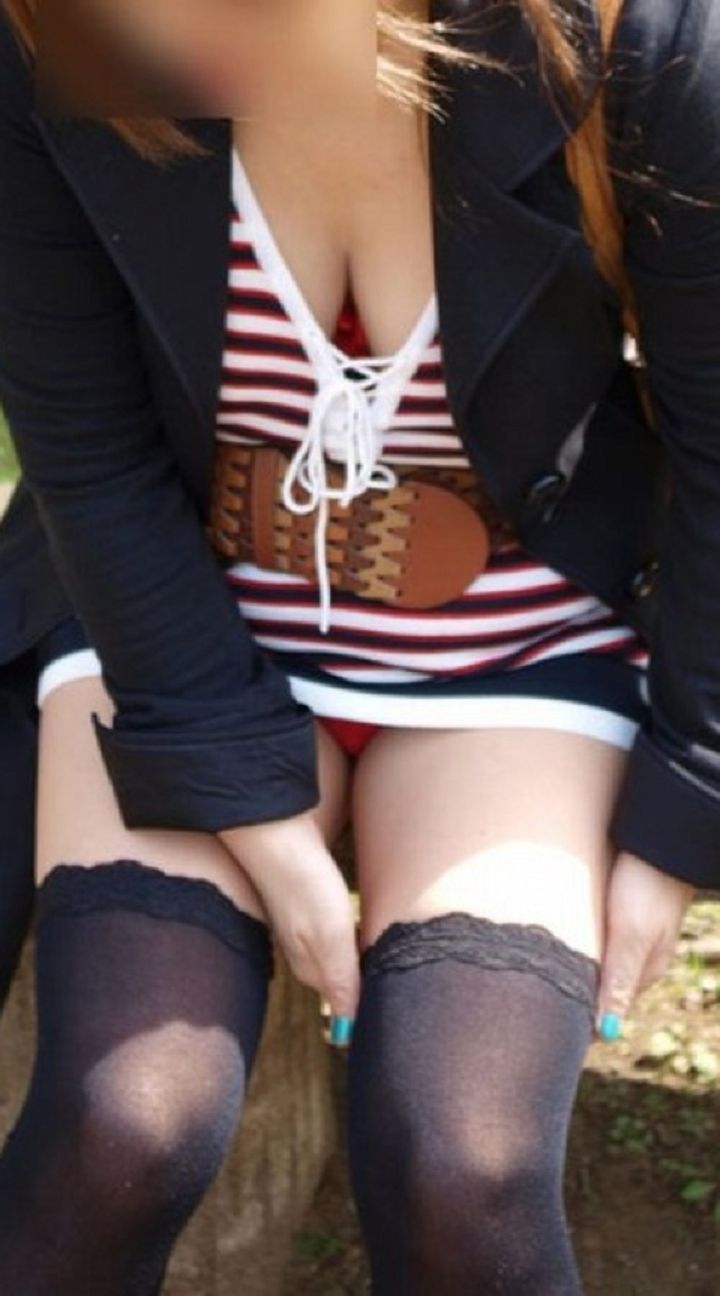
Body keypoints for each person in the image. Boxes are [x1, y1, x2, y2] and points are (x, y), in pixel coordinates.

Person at [0, 0, 716, 1291]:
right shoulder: (63, 36)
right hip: (165, 608)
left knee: (466, 1163)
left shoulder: (643, 43)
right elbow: (87, 452)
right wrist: (250, 808)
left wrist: (685, 814)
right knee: (127, 1120)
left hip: (516, 642)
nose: (151, 31)